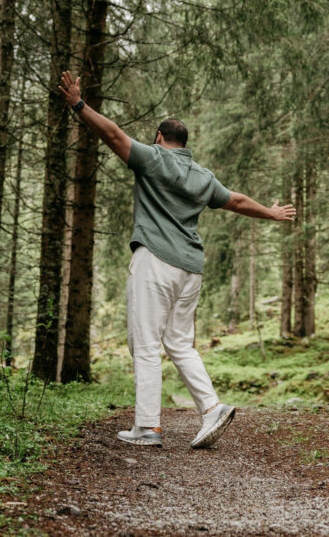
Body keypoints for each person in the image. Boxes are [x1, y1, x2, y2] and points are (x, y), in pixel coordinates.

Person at [58, 71, 296, 449]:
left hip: (155, 262)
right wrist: (270, 213)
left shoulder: (152, 159)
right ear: (185, 144)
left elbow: (114, 135)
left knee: (146, 344)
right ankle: (211, 407)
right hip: (190, 270)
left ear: (158, 138)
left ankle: (148, 427)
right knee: (180, 343)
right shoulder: (202, 176)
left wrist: (79, 105)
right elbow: (234, 200)